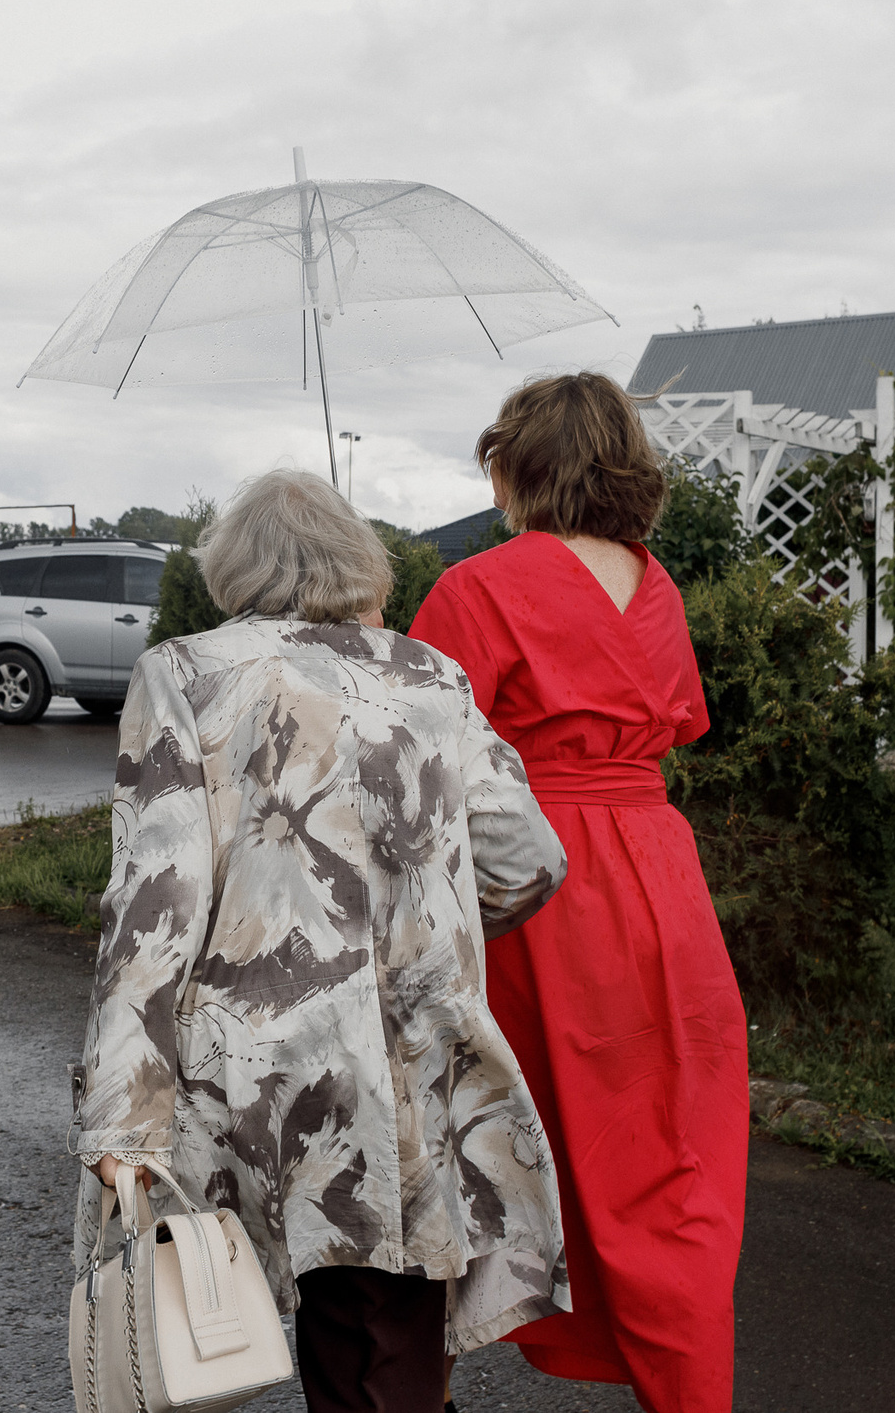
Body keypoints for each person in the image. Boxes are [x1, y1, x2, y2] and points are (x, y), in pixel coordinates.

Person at [74, 470, 570, 1413]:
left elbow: (153, 904)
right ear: (359, 566)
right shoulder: (430, 674)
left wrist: (121, 1118)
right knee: (385, 1365)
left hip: (248, 1077)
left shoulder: (185, 673)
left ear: (235, 576)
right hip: (407, 1068)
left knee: (206, 1334)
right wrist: (431, 931)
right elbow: (529, 860)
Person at [407, 372, 745, 1411]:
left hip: (531, 881)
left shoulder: (479, 588)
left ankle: (414, 1387)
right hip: (660, 879)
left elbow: (414, 745)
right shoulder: (657, 587)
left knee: (459, 1135)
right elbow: (676, 725)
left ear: (521, 466)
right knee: (667, 1152)